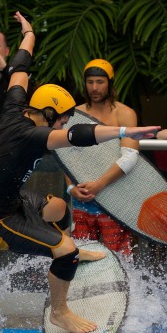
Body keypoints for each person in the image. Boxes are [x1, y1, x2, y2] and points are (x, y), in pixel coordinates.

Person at [0, 12, 159, 333]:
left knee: (58, 207)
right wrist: (127, 130)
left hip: (13, 201)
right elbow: (79, 137)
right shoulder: (32, 134)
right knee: (65, 250)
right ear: (46, 114)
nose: (63, 124)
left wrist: (28, 32)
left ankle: (65, 250)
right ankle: (60, 309)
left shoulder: (15, 104)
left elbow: (19, 68)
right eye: (61, 119)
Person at [68, 59, 138, 257]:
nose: (95, 87)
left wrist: (100, 183)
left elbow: (130, 157)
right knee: (81, 256)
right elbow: (66, 156)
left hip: (116, 195)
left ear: (110, 83)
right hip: (83, 196)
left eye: (100, 81)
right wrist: (70, 188)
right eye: (90, 82)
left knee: (120, 258)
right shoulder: (74, 114)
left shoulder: (125, 114)